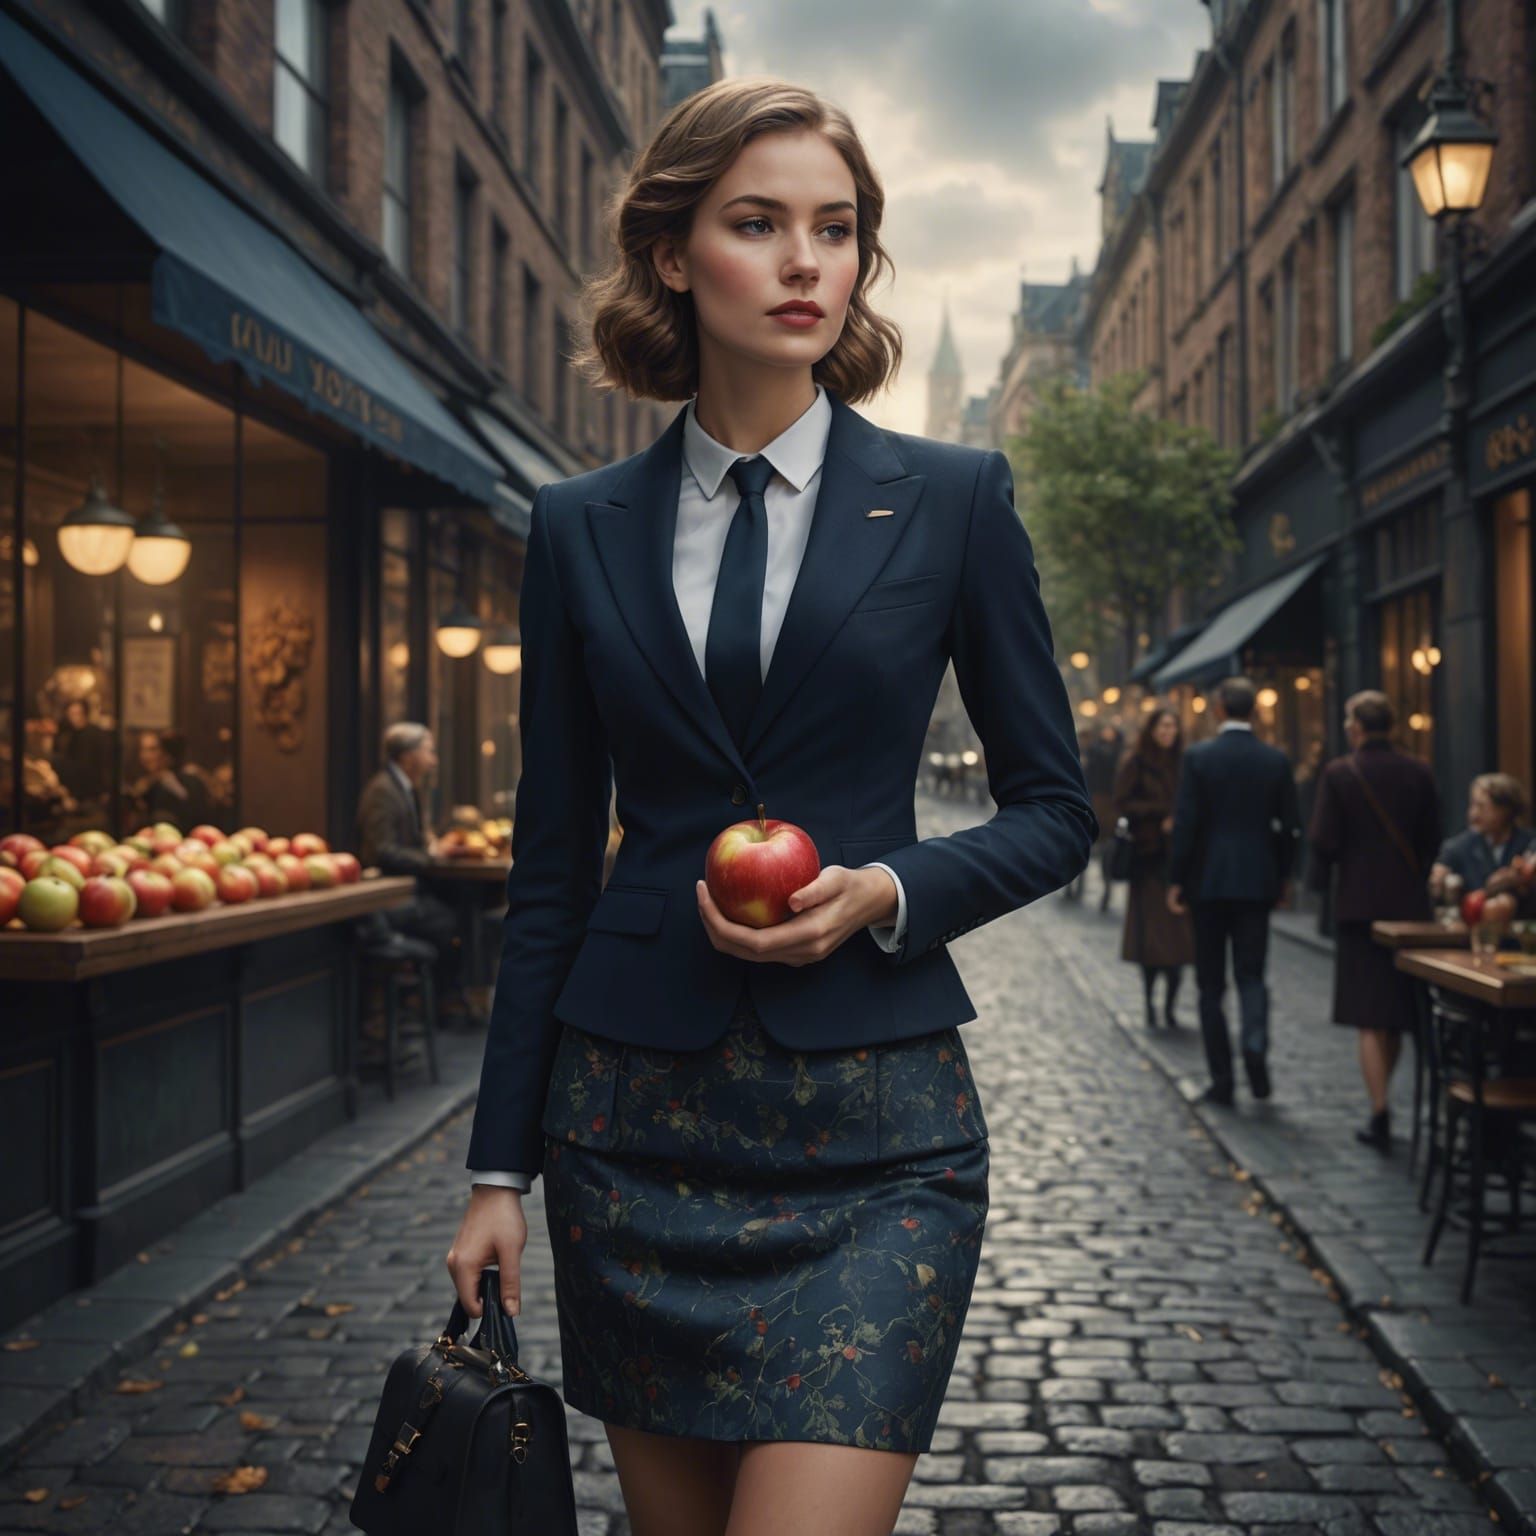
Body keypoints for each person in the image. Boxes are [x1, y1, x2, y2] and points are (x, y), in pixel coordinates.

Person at [444, 79, 1095, 1536]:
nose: (808, 261)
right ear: (675, 254)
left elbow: (1057, 807)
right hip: (630, 1133)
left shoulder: (955, 500)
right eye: (759, 223)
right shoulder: (576, 527)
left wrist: (895, 890)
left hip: (879, 1139)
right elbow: (550, 872)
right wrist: (498, 1169)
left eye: (837, 228)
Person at [1306, 691, 1441, 1151]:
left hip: (1358, 906)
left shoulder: (1341, 773)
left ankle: (1380, 1109)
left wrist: (1320, 886)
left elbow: (1323, 839)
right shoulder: (1419, 772)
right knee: (1398, 1012)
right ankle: (1384, 1102)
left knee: (1369, 1017)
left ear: (1355, 728)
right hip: (1409, 908)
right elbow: (1432, 839)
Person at [1167, 676, 1301, 1106]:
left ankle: (1222, 1079)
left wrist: (1176, 879)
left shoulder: (1199, 758)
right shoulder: (1275, 760)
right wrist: (1284, 878)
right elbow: (1290, 828)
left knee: (1210, 986)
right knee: (1252, 975)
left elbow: (1186, 824)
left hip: (1207, 883)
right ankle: (1256, 1045)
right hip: (1257, 881)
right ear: (1255, 711)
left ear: (1220, 709)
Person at [355, 722, 477, 1020]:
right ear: (409, 756)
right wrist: (431, 856)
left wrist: (432, 846)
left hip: (408, 890)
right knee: (453, 920)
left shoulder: (406, 788)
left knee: (462, 909)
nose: (434, 759)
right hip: (386, 899)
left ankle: (445, 999)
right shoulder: (383, 791)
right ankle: (439, 1002)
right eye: (429, 751)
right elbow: (382, 851)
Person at [1112, 707, 1195, 1029]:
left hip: (1179, 861)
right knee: (1150, 942)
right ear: (1152, 730)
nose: (1167, 732)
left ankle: (1171, 1007)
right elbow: (1123, 803)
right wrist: (1160, 815)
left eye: (1172, 726)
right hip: (1148, 860)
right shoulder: (1136, 763)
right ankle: (1149, 1003)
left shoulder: (1186, 763)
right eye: (1163, 726)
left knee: (1179, 942)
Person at [1428, 772, 1536, 900]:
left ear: (1505, 809)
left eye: (1482, 806)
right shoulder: (1458, 847)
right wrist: (1437, 880)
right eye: (1472, 805)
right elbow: (1437, 878)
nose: (1473, 814)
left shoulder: (1529, 843)